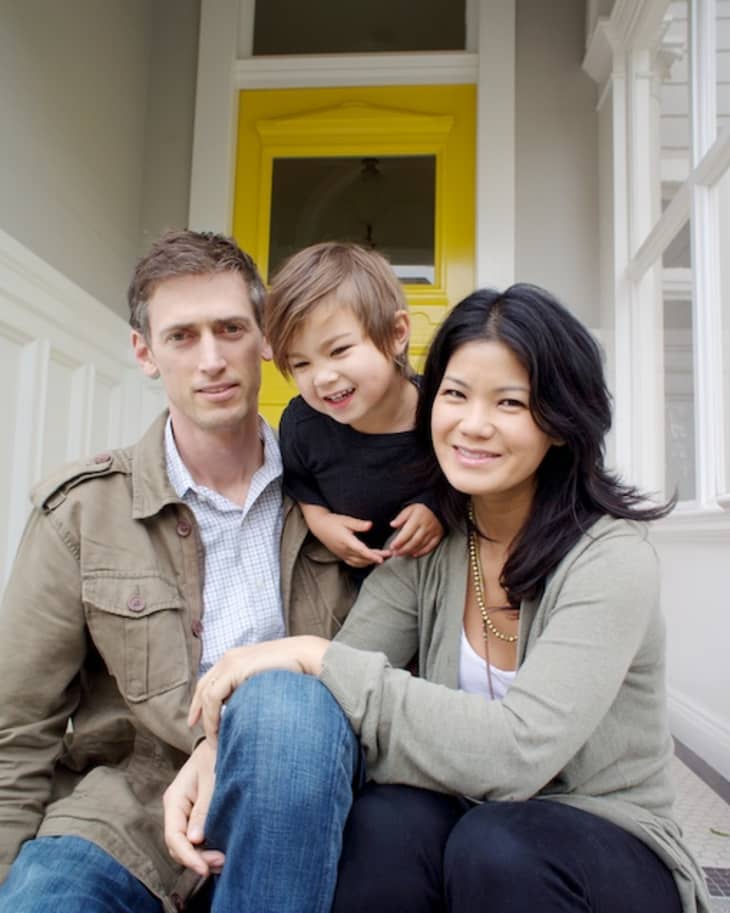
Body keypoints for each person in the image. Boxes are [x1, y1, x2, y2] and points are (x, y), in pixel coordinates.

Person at [165, 283, 711, 913]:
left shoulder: (610, 558)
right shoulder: (436, 545)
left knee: (496, 845)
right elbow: (336, 701)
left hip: (609, 837)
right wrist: (216, 752)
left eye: (510, 402)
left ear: (559, 422)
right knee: (380, 825)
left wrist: (314, 653)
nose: (472, 425)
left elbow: (516, 755)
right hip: (469, 816)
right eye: (454, 394)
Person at [0, 229, 353, 913]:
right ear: (144, 352)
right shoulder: (81, 512)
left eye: (231, 329)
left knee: (289, 701)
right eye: (182, 336)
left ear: (267, 340)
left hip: (293, 801)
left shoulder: (342, 504)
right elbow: (16, 730)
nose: (213, 359)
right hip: (122, 815)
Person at [265, 241, 443, 581]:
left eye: (339, 350)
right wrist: (321, 523)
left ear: (396, 334)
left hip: (435, 579)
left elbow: (470, 481)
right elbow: (302, 486)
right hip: (348, 587)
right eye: (301, 363)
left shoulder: (441, 410)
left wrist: (438, 510)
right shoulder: (303, 425)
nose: (323, 377)